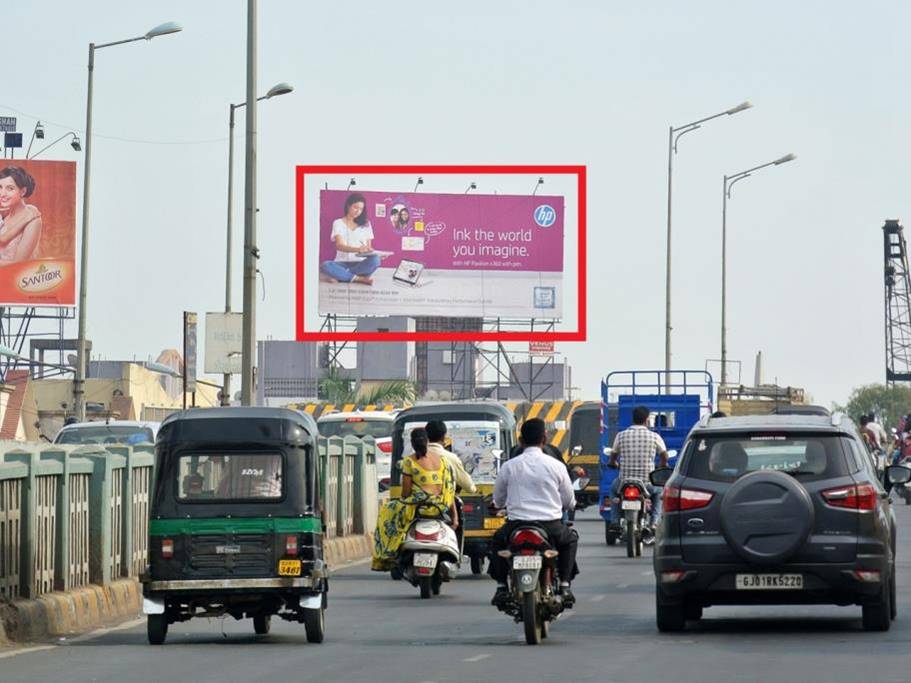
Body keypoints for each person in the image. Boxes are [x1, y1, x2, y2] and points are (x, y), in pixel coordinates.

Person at [488, 418, 578, 606]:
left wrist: (497, 505)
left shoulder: (509, 466)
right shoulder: (556, 466)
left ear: (520, 441)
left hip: (516, 525)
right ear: (544, 440)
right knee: (570, 540)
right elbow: (569, 501)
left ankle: (501, 586)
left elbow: (498, 499)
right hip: (550, 525)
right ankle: (564, 585)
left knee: (497, 541)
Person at [372, 428, 458, 571]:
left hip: (418, 506)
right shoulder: (443, 460)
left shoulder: (409, 462)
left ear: (412, 444)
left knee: (387, 512)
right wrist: (455, 518)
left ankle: (389, 552)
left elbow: (406, 493)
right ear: (428, 441)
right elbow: (449, 489)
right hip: (440, 506)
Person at [607, 405, 668, 531]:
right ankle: (654, 522)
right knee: (658, 493)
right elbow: (664, 454)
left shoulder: (621, 435)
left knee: (613, 490)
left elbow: (613, 455)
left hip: (624, 482)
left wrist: (613, 463)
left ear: (632, 419)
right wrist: (663, 465)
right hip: (647, 483)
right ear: (646, 420)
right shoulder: (654, 436)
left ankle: (614, 521)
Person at [320, 193, 383, 285]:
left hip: (360, 264)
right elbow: (339, 246)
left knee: (376, 260)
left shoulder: (366, 224)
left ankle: (342, 276)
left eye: (361, 209)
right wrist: (358, 249)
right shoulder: (338, 223)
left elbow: (369, 247)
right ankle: (359, 278)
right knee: (325, 265)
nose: (358, 211)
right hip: (341, 263)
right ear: (348, 205)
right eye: (355, 207)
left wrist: (375, 253)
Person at [0, 166, 42, 264]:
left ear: (23, 191)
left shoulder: (33, 215)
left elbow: (19, 263)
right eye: (0, 187)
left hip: (19, 277)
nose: (2, 194)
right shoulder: (4, 216)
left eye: (10, 188)